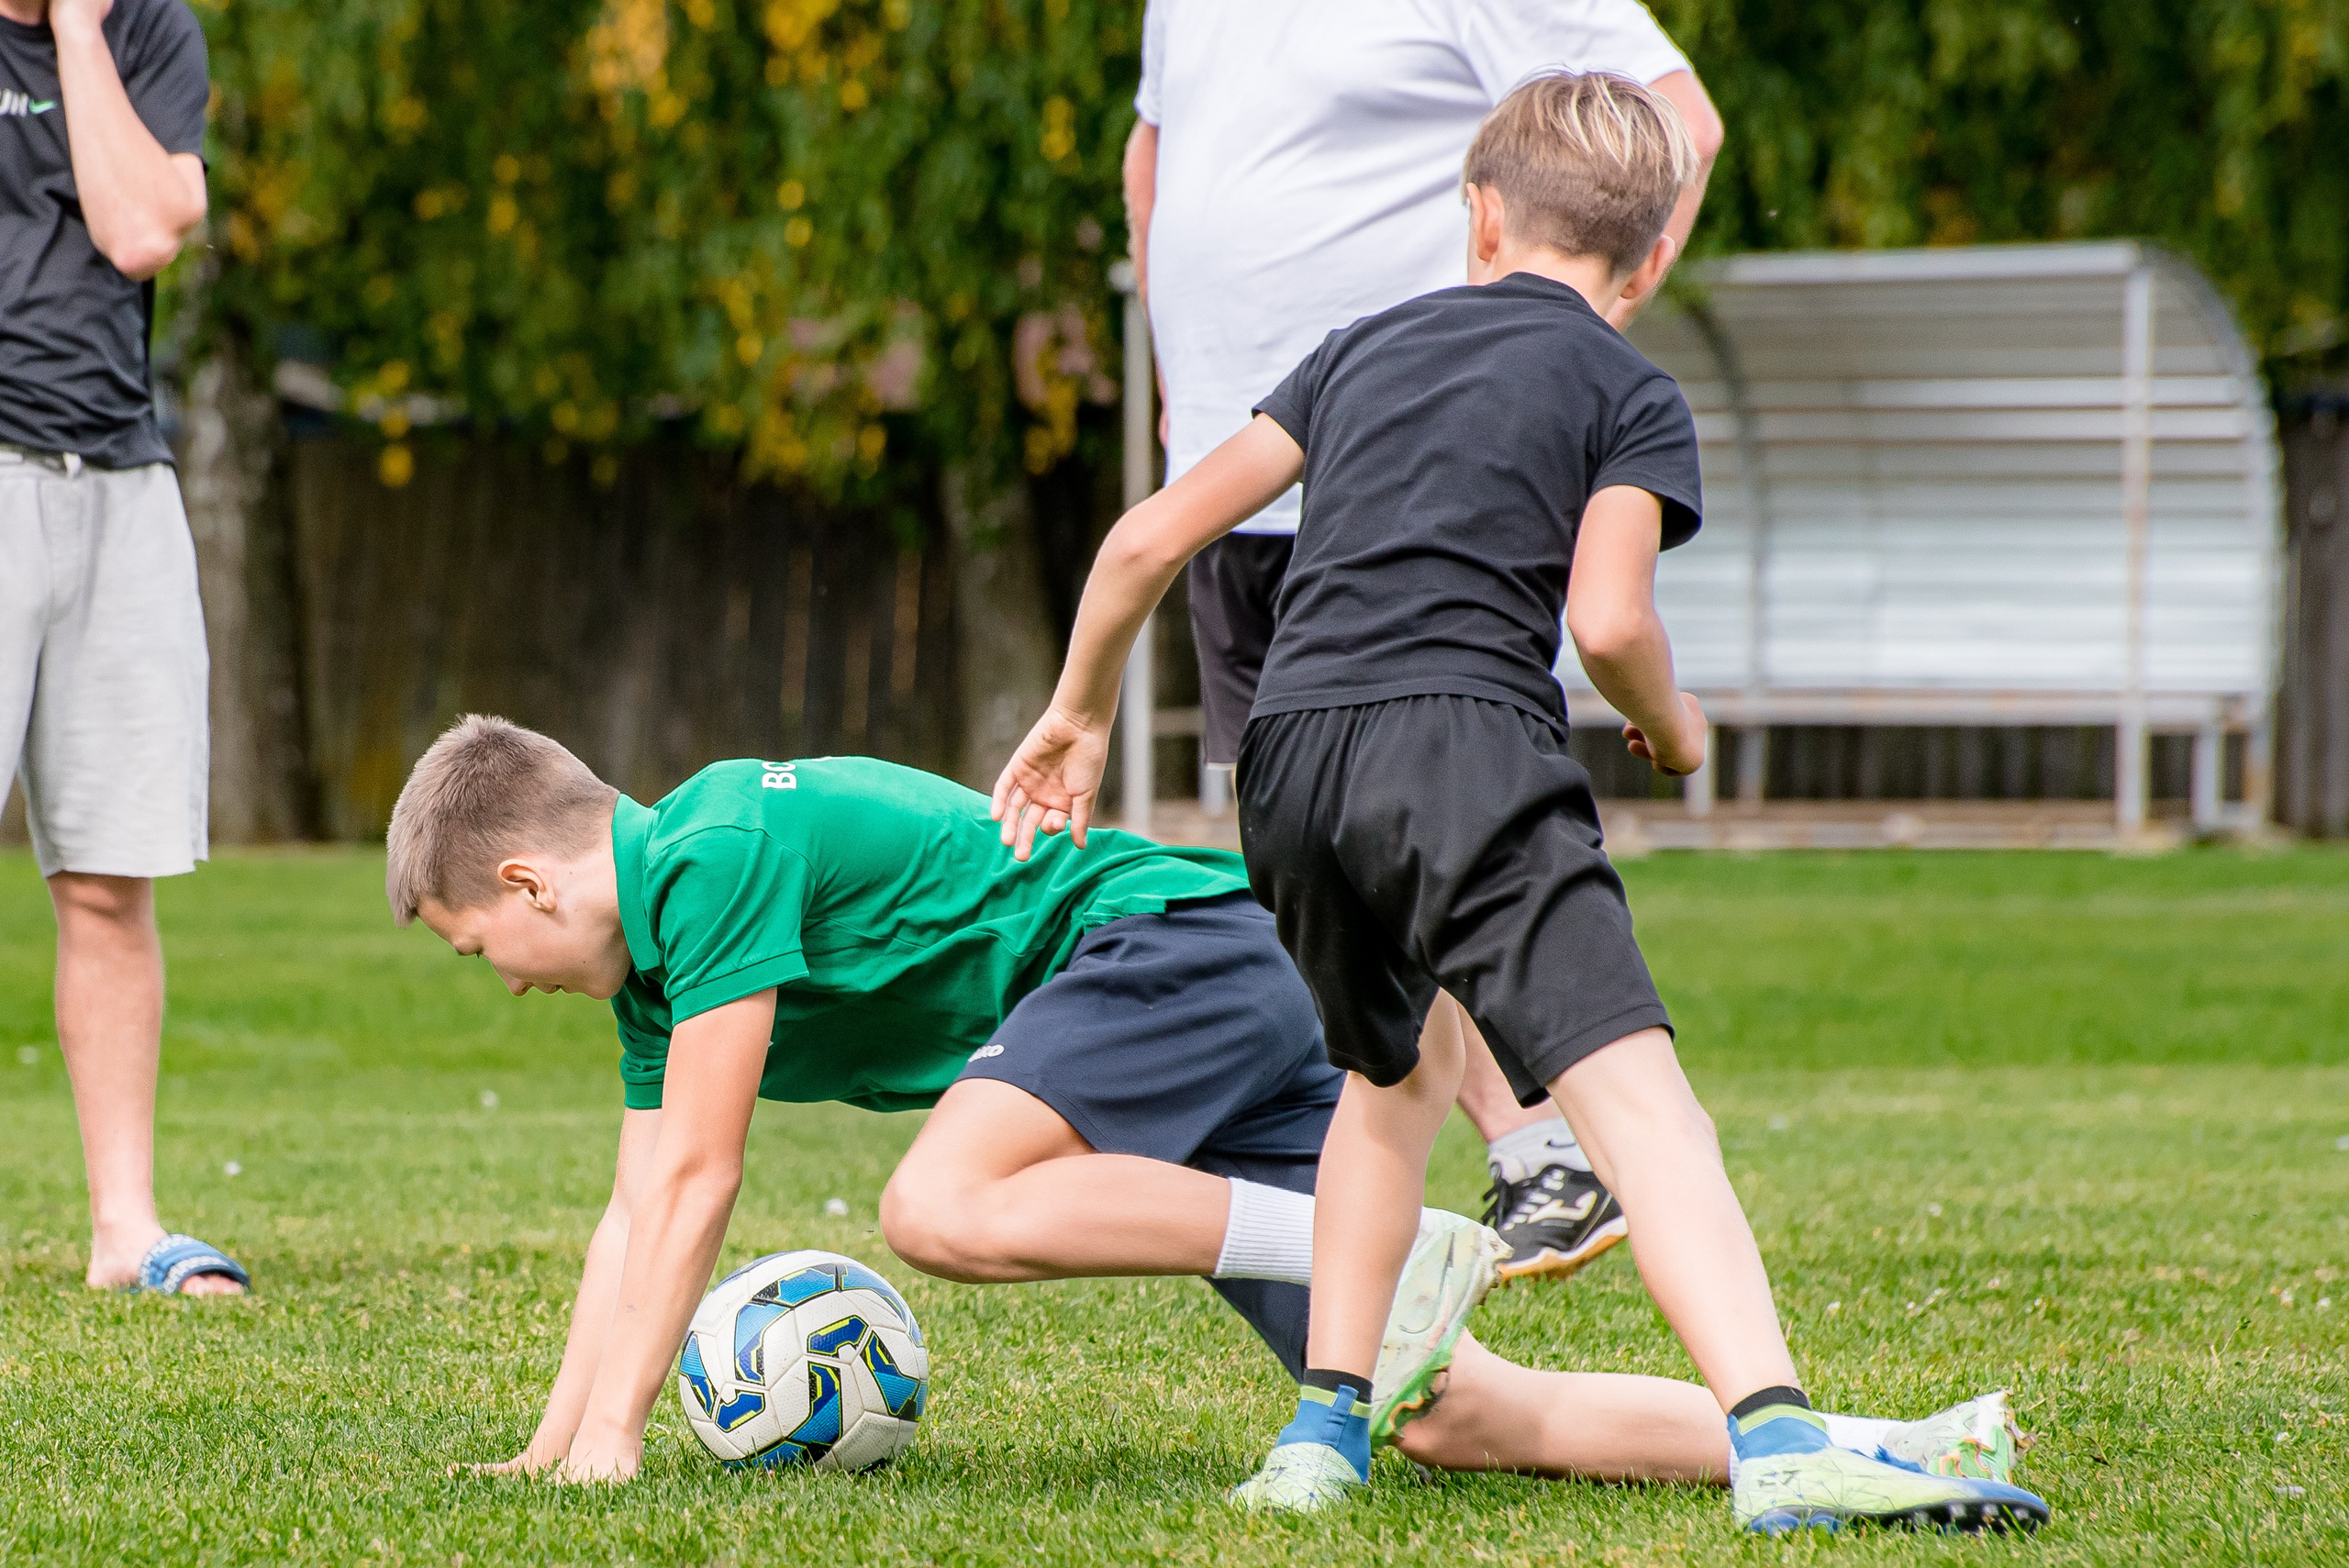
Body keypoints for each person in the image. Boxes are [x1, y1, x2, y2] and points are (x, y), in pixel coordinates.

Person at [992, 72, 2049, 1533]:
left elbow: (1144, 538)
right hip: (1466, 747)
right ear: (1655, 253)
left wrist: (1080, 711)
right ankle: (1779, 1429)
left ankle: (1322, 1433)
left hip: (1291, 757)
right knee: (1645, 1105)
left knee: (1389, 1078)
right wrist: (1675, 730)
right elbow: (1608, 621)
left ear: (1478, 217)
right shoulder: (1630, 390)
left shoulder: (1358, 349)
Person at [387, 717, 2033, 1509]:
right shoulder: (646, 981)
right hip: (1185, 1021)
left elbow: (698, 1178)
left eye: (481, 949)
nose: (504, 981)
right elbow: (631, 1215)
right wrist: (554, 1442)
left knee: (939, 1206)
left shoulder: (711, 847)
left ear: (531, 877)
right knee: (1452, 1411)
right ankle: (1876, 1449)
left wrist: (621, 1442)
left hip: (1166, 950)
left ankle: (1368, 1238)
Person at [1128, 0, 1727, 1283]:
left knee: (1409, 814)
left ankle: (1535, 1143)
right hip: (1237, 455)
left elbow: (1680, 113)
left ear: (1484, 214)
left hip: (1391, 452)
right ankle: (1529, 1150)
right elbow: (1157, 151)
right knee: (1340, 842)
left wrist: (1585, 331)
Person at [1, 0, 245, 1296]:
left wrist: (81, 36)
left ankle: (124, 1229)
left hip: (117, 476)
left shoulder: (148, 30)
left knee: (108, 876)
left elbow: (142, 227)